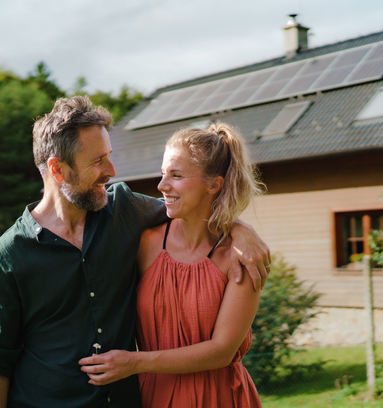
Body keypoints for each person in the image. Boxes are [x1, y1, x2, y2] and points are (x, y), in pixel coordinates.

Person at [0, 96, 271, 408]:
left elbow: (199, 211)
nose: (112, 171)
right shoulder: (4, 259)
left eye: (109, 156)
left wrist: (240, 230)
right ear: (58, 170)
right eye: (97, 161)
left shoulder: (126, 211)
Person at [79, 123, 264, 407]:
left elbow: (221, 351)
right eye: (164, 173)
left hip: (217, 396)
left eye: (176, 175)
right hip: (155, 395)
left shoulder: (240, 257)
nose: (162, 185)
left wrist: (134, 362)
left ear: (214, 184)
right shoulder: (145, 243)